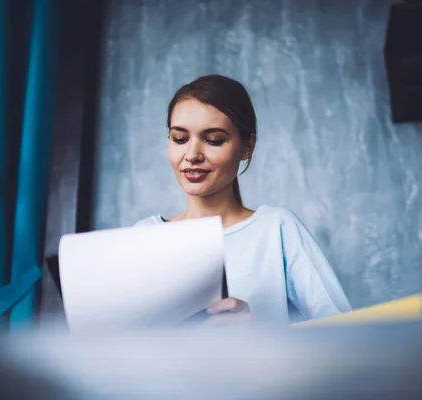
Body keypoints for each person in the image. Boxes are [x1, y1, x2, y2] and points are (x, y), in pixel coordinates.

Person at [135, 75, 351, 326]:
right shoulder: (144, 236)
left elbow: (344, 334)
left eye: (214, 140)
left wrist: (256, 334)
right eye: (180, 139)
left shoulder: (277, 230)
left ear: (247, 147)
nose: (192, 155)